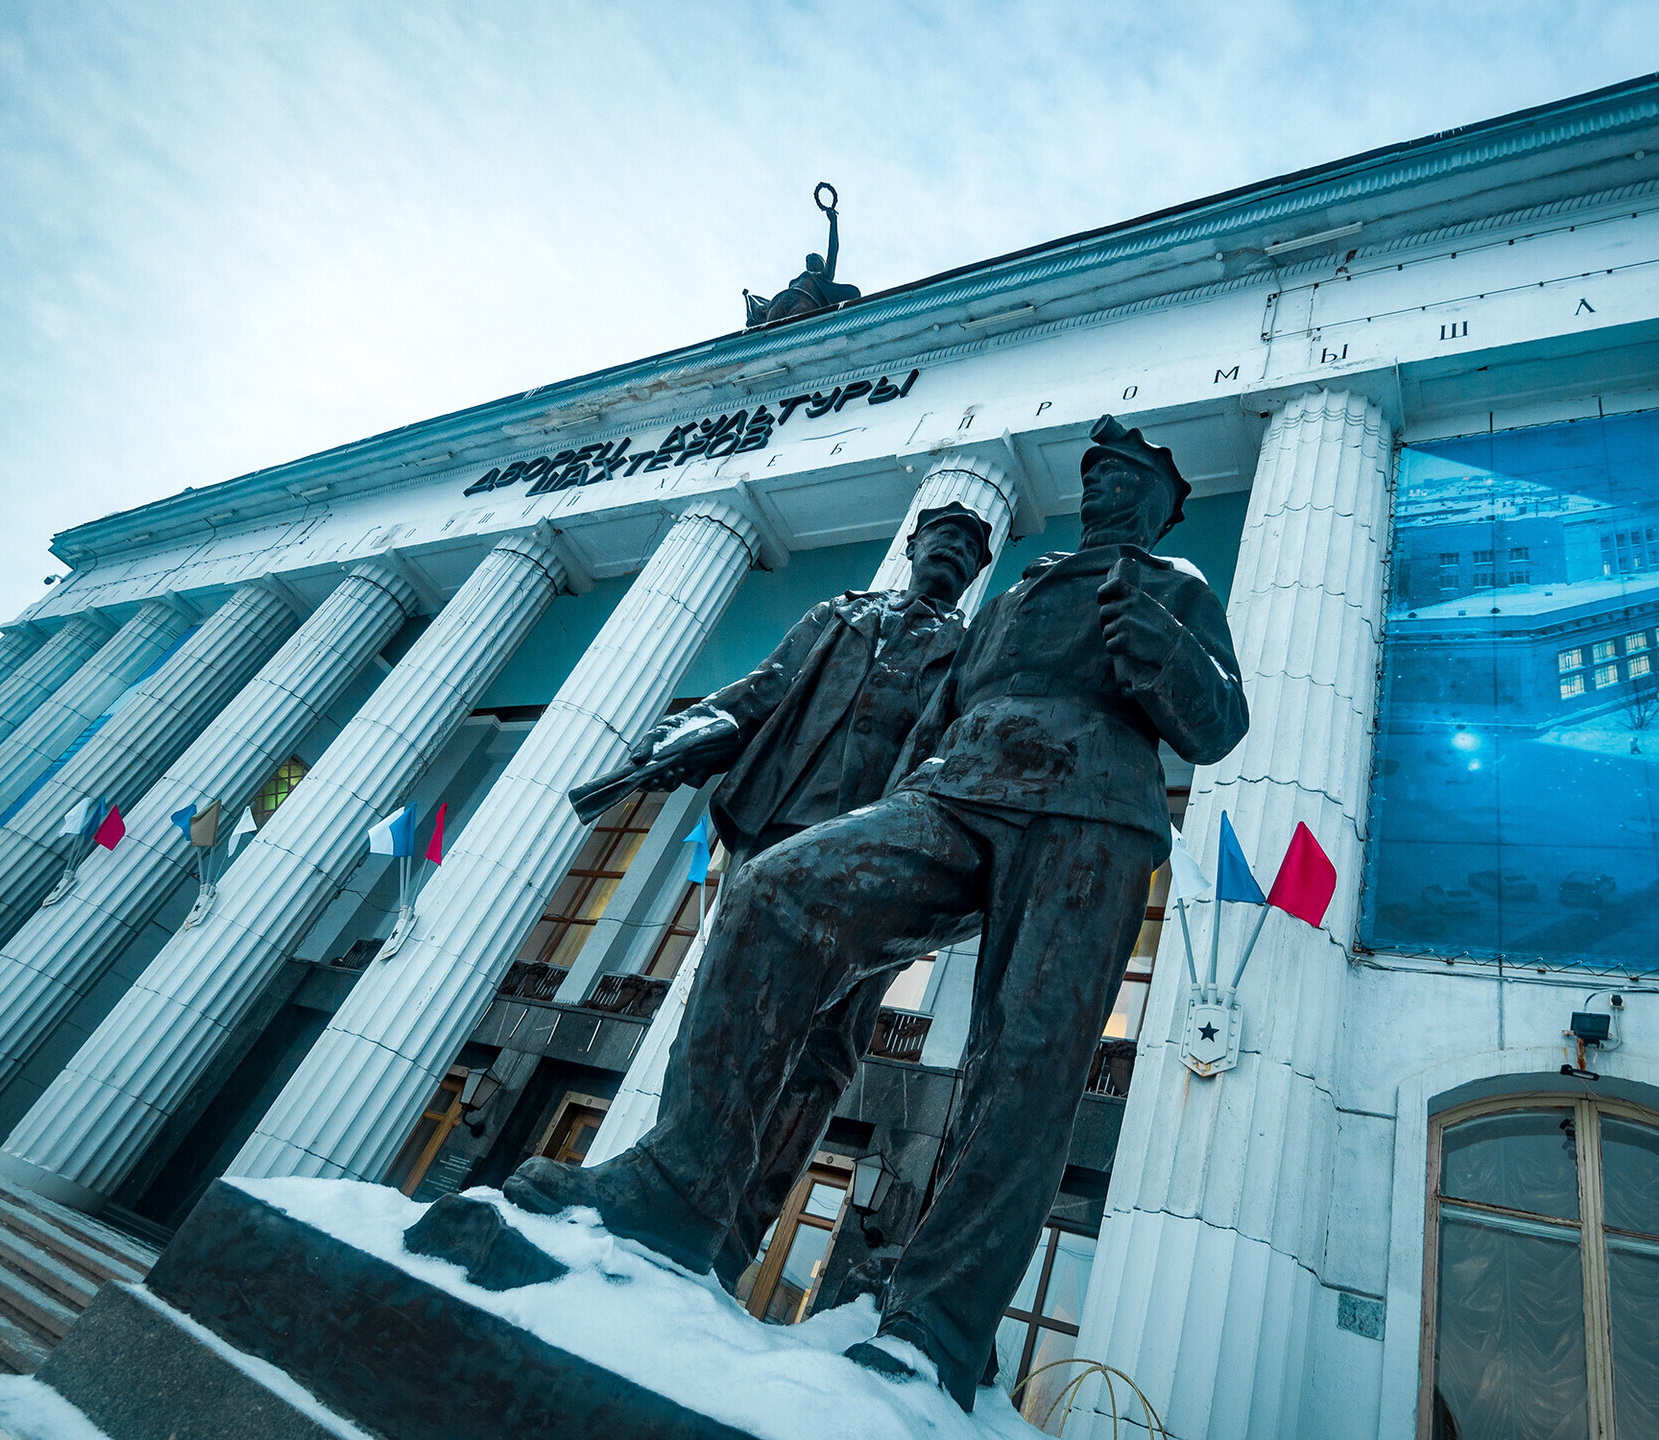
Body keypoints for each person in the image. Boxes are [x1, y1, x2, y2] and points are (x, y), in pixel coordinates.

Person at [508, 415, 1250, 1411]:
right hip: (956, 794)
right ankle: (678, 1193)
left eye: (1128, 479)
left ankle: (935, 1326)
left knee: (1023, 1066)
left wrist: (1163, 654)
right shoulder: (1024, 586)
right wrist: (898, 794)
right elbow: (938, 711)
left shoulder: (1176, 588)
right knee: (776, 893)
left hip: (1087, 816)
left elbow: (1218, 726)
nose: (1107, 490)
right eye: (1097, 475)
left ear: (1164, 504)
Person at [610, 501, 994, 1290]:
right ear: (914, 545)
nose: (952, 553)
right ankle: (672, 1188)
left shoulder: (972, 652)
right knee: (720, 1013)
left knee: (824, 1046)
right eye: (942, 539)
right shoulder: (841, 616)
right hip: (781, 821)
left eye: (969, 548)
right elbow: (764, 690)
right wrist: (702, 722)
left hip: (882, 860)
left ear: (977, 571)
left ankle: (732, 1237)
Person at [744, 186, 863, 327]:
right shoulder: (794, 281)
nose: (810, 260)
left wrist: (833, 223)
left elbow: (833, 250)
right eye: (808, 259)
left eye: (814, 258)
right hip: (781, 300)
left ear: (822, 264)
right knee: (768, 331)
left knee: (795, 329)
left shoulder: (824, 276)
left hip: (805, 301)